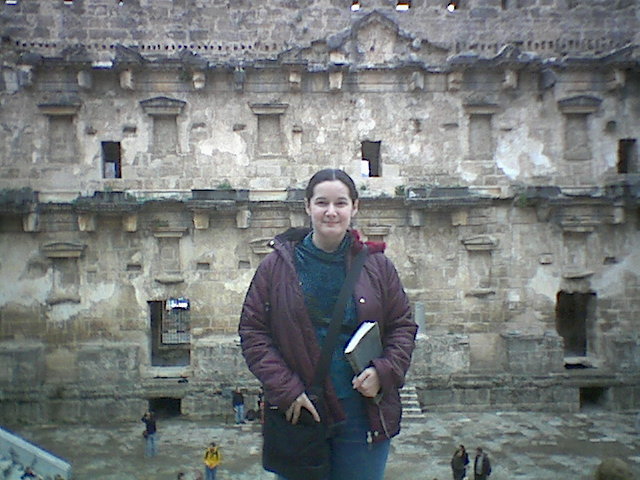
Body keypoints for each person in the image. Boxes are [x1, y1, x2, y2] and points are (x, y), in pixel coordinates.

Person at [239, 168, 418, 480]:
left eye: (341, 203)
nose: (331, 212)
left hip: (362, 412)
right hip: (302, 410)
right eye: (322, 203)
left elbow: (402, 325)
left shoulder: (378, 266)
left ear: (354, 207)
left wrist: (383, 371)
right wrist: (286, 389)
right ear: (308, 207)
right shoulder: (276, 267)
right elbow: (253, 332)